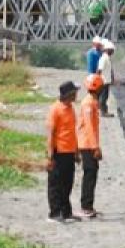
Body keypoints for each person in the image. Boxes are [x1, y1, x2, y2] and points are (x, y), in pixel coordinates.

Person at [45, 81, 80, 222]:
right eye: (75, 92)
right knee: (55, 184)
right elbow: (51, 134)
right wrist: (50, 156)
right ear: (69, 95)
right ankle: (54, 213)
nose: (77, 94)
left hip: (69, 151)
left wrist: (76, 152)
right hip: (58, 151)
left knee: (67, 183)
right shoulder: (55, 109)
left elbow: (72, 132)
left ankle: (66, 212)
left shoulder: (71, 108)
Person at [78, 74, 104, 219]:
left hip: (89, 143)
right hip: (87, 144)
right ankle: (86, 207)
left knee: (92, 173)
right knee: (89, 174)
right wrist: (95, 147)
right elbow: (89, 127)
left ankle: (88, 205)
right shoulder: (88, 104)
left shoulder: (92, 101)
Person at [96, 40, 116, 116]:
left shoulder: (107, 58)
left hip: (106, 81)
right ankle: (103, 112)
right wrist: (97, 79)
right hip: (103, 81)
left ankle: (103, 111)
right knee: (103, 97)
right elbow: (99, 70)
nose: (113, 52)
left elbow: (109, 70)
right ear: (107, 50)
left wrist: (112, 80)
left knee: (104, 96)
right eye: (112, 50)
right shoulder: (104, 58)